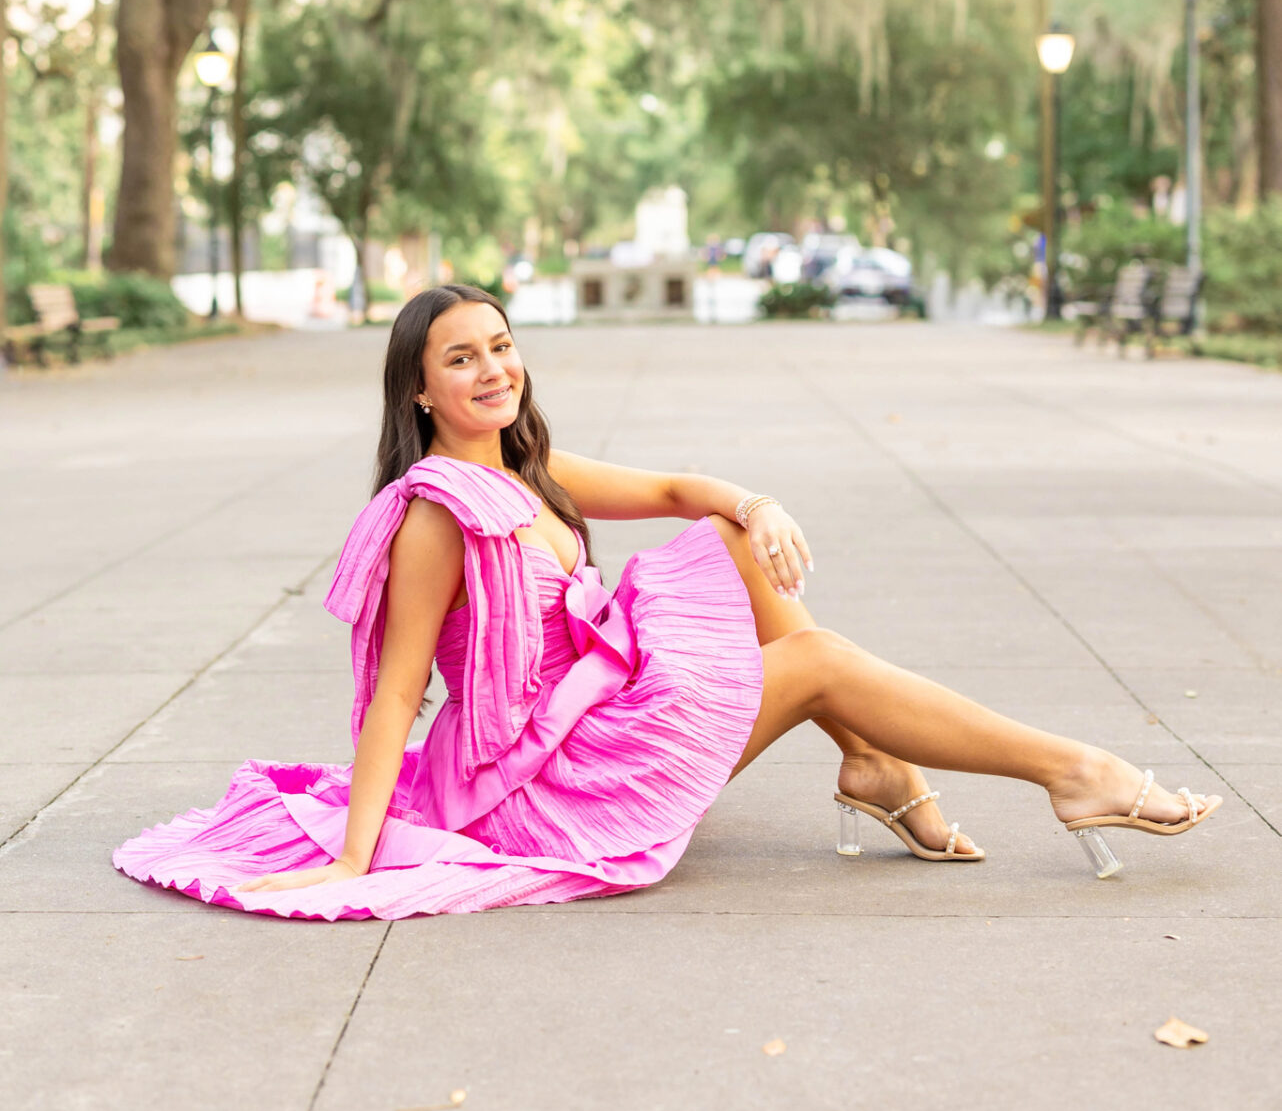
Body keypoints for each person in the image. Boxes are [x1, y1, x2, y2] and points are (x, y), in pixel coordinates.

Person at [114, 285, 1219, 919]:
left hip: (591, 717)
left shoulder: (524, 466)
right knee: (821, 659)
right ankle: (1075, 774)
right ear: (420, 387)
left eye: (502, 347)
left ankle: (880, 765)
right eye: (462, 359)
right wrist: (358, 861)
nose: (494, 371)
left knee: (725, 534)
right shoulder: (438, 510)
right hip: (533, 781)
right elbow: (398, 690)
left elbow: (681, 491)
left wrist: (759, 501)